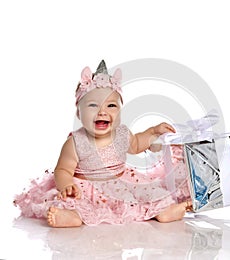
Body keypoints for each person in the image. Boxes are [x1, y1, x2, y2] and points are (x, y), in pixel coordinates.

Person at [14, 60, 191, 227]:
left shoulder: (122, 133)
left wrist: (153, 131)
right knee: (74, 202)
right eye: (93, 105)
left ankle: (164, 211)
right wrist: (67, 185)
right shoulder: (76, 142)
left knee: (149, 192)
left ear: (120, 111)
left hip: (122, 181)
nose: (102, 112)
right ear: (78, 113)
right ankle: (72, 217)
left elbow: (136, 144)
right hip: (87, 187)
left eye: (111, 106)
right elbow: (62, 170)